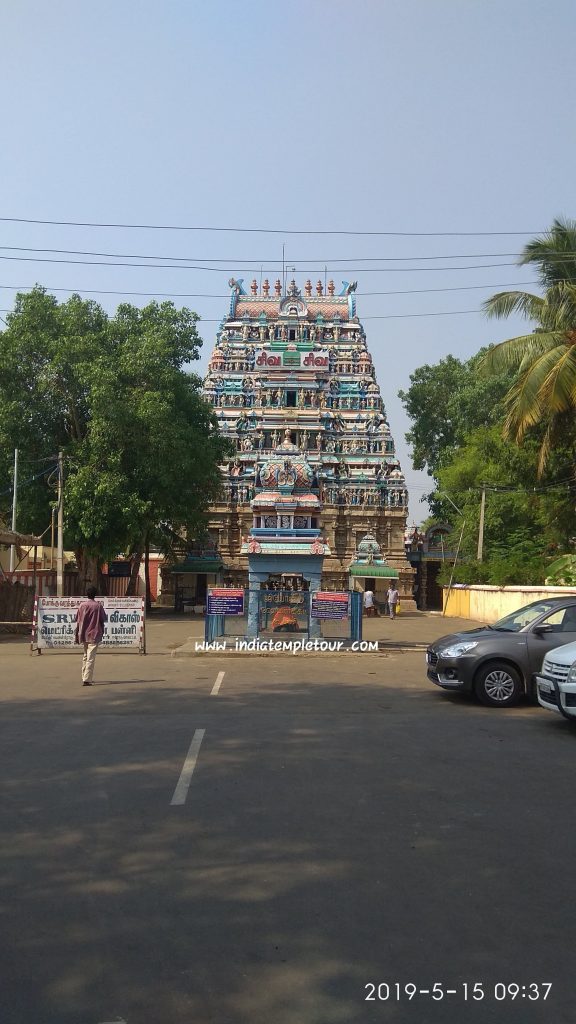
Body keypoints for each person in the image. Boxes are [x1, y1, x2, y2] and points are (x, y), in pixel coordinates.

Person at [74, 585, 107, 686]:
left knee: (85, 656)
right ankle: (87, 679)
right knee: (90, 657)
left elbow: (77, 619)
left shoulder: (82, 605)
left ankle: (84, 676)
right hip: (94, 634)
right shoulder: (98, 606)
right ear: (95, 595)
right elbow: (103, 618)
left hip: (83, 633)